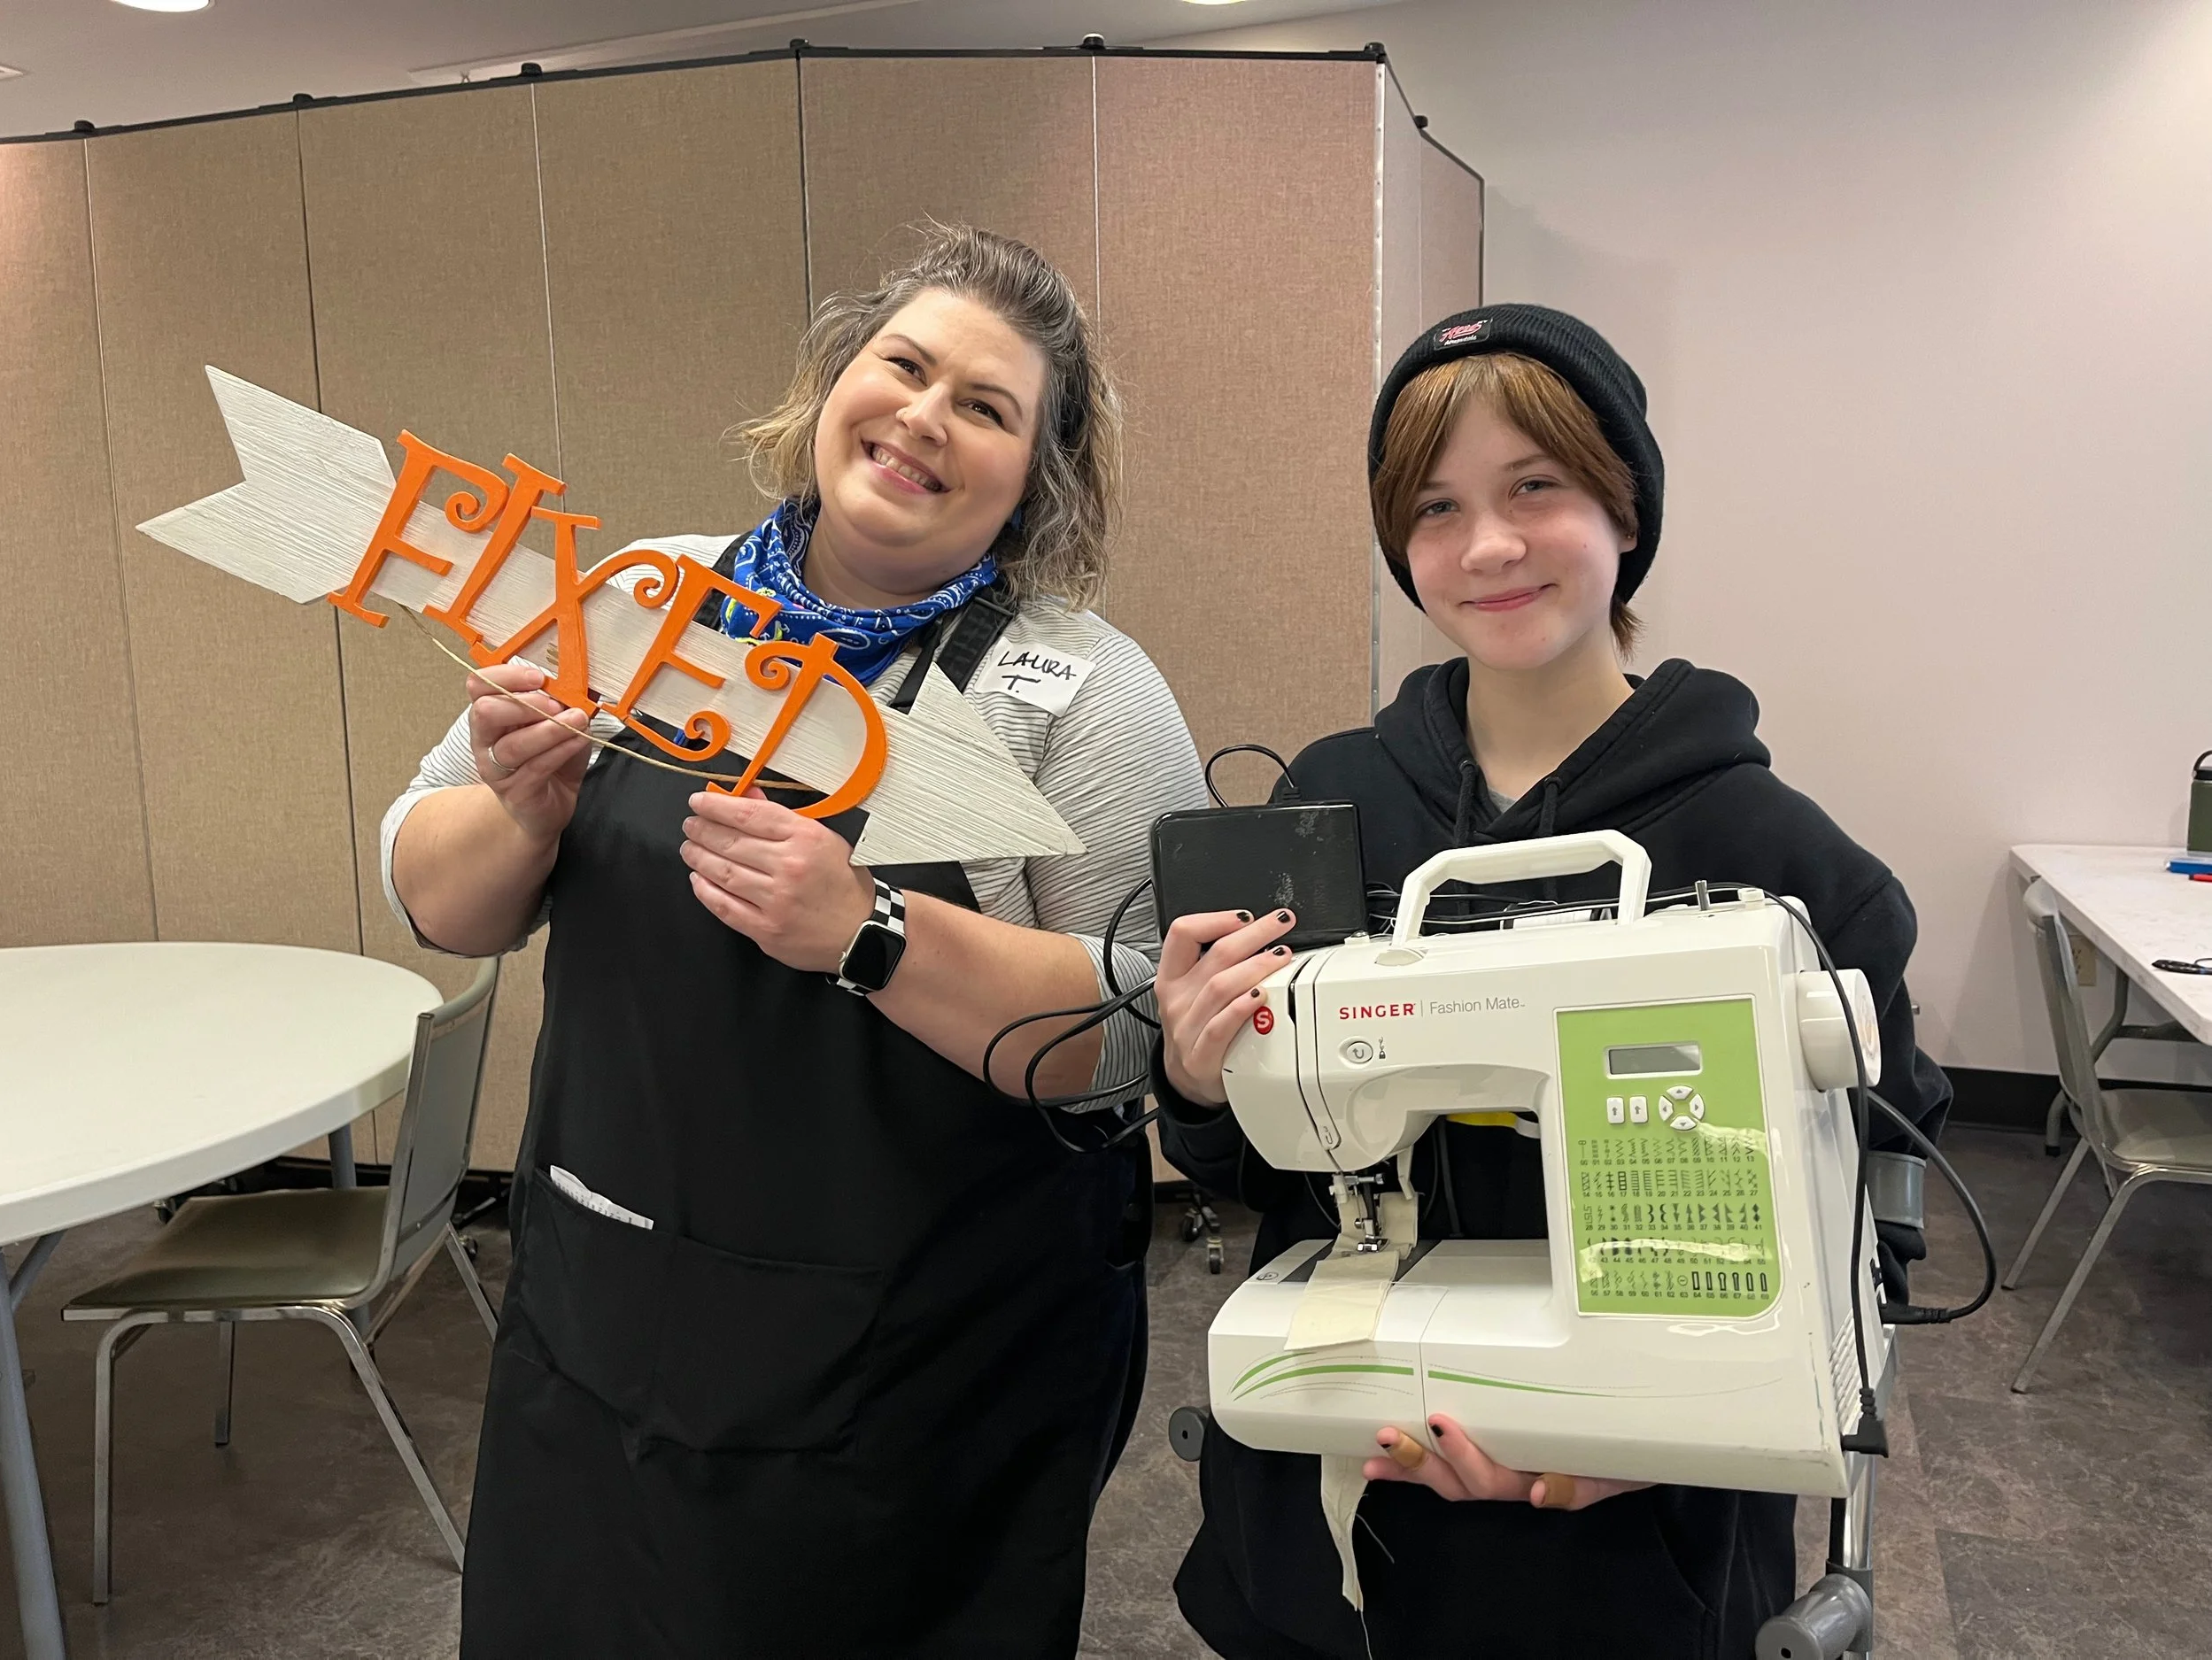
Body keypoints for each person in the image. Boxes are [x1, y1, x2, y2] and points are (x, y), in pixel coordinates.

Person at [381, 225, 1206, 1657]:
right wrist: (518, 815)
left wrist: (870, 931)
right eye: (904, 365)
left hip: (914, 1377)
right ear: (836, 380)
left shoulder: (1077, 694)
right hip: (604, 1310)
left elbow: (1133, 1030)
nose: (924, 418)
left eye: (988, 407)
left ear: (1036, 477)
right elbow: (427, 886)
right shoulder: (648, 599)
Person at [1152, 303, 1951, 1660]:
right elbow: (1253, 1157)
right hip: (1327, 1532)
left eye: (1538, 488)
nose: (1490, 546)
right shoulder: (1330, 807)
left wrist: (1658, 1434)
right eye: (1437, 508)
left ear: (1625, 506)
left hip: (1634, 1550)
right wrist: (1194, 1064)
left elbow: (1872, 1228)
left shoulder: (1776, 858)